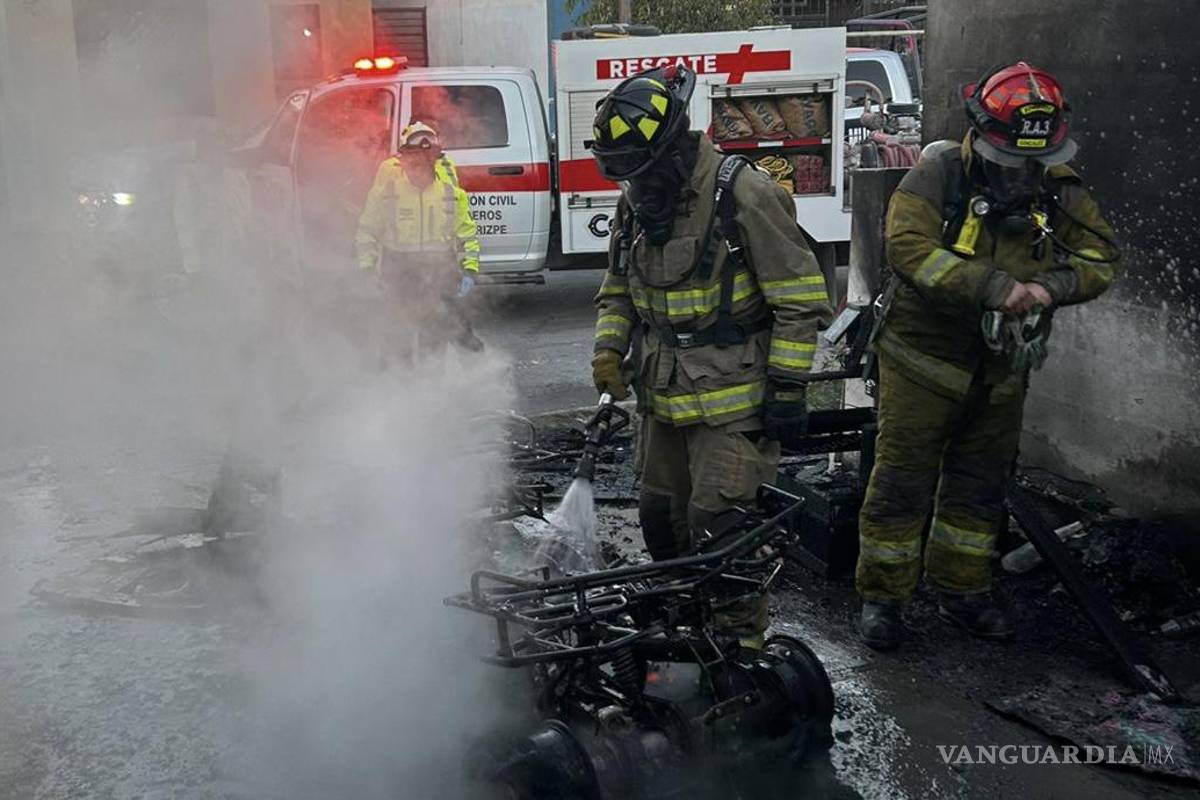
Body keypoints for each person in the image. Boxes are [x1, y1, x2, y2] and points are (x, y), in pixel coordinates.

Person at [855, 63, 1121, 649]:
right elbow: (907, 249)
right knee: (902, 480)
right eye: (1011, 158)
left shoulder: (1057, 183)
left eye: (1033, 159)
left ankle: (962, 590)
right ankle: (884, 598)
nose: (1021, 172)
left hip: (1002, 369)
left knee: (979, 485)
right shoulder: (939, 173)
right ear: (980, 130)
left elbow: (1102, 258)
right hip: (922, 360)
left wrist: (1051, 287)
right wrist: (994, 288)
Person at [588, 65, 833, 650]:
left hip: (734, 401)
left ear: (672, 150)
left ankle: (740, 653)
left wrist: (788, 389)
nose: (634, 188)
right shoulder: (640, 199)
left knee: (722, 528)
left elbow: (802, 301)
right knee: (660, 521)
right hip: (662, 397)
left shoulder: (744, 194)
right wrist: (607, 349)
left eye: (642, 173)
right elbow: (619, 290)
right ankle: (686, 628)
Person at [355, 121, 481, 356]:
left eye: (423, 158)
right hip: (399, 269)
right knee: (398, 336)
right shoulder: (387, 193)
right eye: (411, 158)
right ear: (402, 160)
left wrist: (469, 270)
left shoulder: (451, 195)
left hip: (440, 268)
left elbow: (466, 235)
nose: (416, 165)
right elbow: (367, 231)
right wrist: (367, 268)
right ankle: (398, 385)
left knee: (434, 337)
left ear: (433, 159)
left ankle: (432, 385)